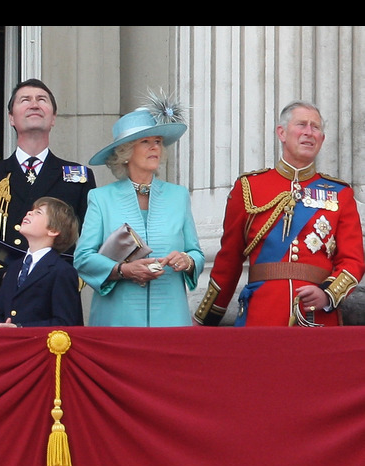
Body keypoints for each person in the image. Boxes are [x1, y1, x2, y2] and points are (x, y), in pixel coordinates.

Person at [195, 100, 365, 327]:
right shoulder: (249, 188)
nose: (309, 132)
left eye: (316, 127)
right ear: (282, 133)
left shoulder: (340, 194)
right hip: (262, 315)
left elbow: (353, 260)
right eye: (301, 124)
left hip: (318, 319)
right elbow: (229, 260)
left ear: (322, 139)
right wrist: (205, 319)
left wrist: (328, 294)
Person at [0, 79, 96, 326]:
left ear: (53, 117)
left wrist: (64, 279)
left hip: (53, 299)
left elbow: (90, 242)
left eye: (42, 100)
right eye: (25, 100)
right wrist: (2, 278)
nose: (34, 104)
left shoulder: (78, 177)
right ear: (11, 118)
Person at [73, 90, 204, 327]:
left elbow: (196, 253)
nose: (154, 147)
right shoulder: (101, 198)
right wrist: (124, 270)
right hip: (118, 321)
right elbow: (82, 258)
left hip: (170, 321)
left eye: (158, 142)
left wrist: (187, 260)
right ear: (125, 153)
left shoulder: (178, 196)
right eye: (145, 141)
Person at [0, 196, 83, 328]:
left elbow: (64, 322)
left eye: (38, 212)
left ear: (53, 230)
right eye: (31, 210)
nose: (29, 213)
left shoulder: (62, 271)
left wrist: (20, 328)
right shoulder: (14, 267)